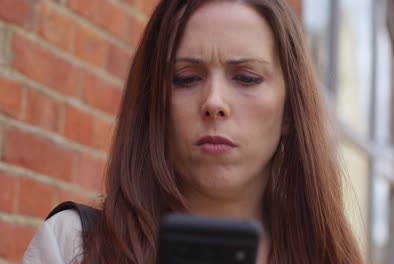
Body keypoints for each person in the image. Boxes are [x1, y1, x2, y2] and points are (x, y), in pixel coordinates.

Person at [23, 0, 363, 263]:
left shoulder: (327, 254)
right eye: (186, 78)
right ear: (156, 102)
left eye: (246, 78)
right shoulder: (72, 244)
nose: (214, 102)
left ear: (290, 109)